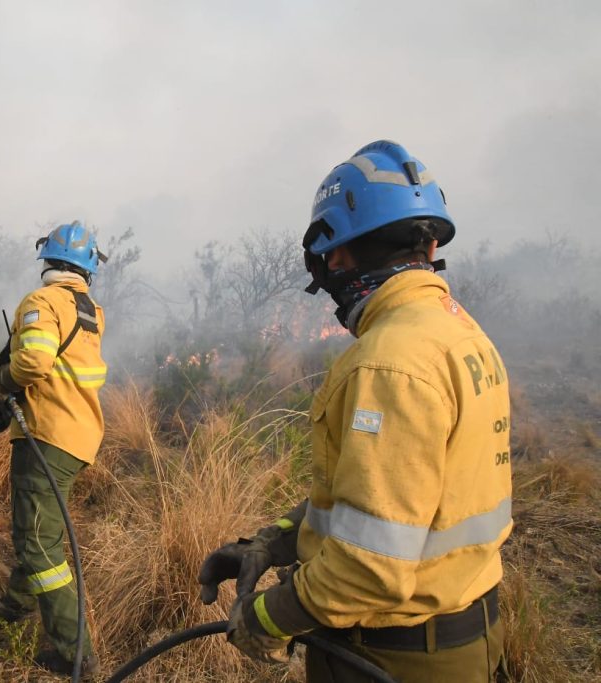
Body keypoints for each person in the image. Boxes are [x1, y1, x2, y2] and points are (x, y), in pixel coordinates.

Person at [198, 140, 512, 682]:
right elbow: (383, 502)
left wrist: (266, 616)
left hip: (393, 655)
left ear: (336, 254)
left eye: (328, 262)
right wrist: (270, 542)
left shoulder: (389, 363)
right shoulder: (460, 331)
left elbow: (368, 567)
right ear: (429, 243)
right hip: (465, 635)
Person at [0, 221, 108, 677]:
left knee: (39, 545)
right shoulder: (88, 310)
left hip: (48, 438)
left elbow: (32, 362)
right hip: (78, 435)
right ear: (88, 268)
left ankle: (76, 654)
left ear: (47, 260)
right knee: (38, 531)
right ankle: (12, 608)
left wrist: (2, 381)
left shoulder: (41, 301)